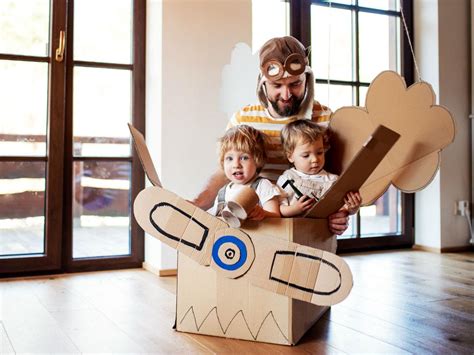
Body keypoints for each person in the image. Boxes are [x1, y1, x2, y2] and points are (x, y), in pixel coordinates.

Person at [193, 36, 349, 234]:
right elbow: (225, 172)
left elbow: (338, 179)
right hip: (257, 223)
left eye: (295, 84)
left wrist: (340, 213)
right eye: (277, 86)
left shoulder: (325, 118)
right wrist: (197, 203)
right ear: (263, 82)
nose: (286, 95)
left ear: (307, 79)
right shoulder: (243, 119)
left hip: (308, 225)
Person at [277, 119, 362, 217]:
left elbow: (342, 211)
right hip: (296, 229)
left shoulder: (333, 181)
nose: (315, 159)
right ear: (290, 156)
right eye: (306, 155)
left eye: (319, 153)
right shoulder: (286, 178)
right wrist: (295, 209)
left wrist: (352, 208)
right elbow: (279, 209)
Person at [207, 125, 281, 220]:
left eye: (244, 158)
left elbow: (276, 216)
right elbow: (209, 218)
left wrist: (263, 213)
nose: (236, 164)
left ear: (257, 160)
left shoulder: (262, 186)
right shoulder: (223, 193)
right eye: (229, 158)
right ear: (223, 162)